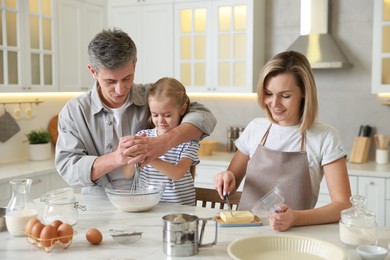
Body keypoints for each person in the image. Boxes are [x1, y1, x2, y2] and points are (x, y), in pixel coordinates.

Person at [55, 28, 216, 196]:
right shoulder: (74, 112)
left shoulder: (152, 97)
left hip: (152, 202)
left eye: (127, 78)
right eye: (110, 81)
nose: (120, 89)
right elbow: (68, 168)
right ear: (93, 71)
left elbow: (204, 115)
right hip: (97, 204)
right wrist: (117, 158)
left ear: (135, 64)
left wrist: (163, 143)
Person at [213, 51, 352, 231]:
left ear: (304, 93)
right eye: (268, 93)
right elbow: (230, 187)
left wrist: (295, 218)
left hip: (295, 236)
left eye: (285, 96)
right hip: (244, 232)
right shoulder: (256, 128)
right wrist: (226, 177)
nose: (274, 104)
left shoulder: (324, 136)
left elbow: (343, 205)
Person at [125, 77, 199, 205]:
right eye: (155, 115)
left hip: (179, 209)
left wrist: (148, 155)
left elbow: (177, 173)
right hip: (146, 206)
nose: (160, 121)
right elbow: (127, 174)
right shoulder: (143, 137)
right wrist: (132, 156)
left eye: (167, 115)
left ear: (182, 109)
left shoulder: (188, 141)